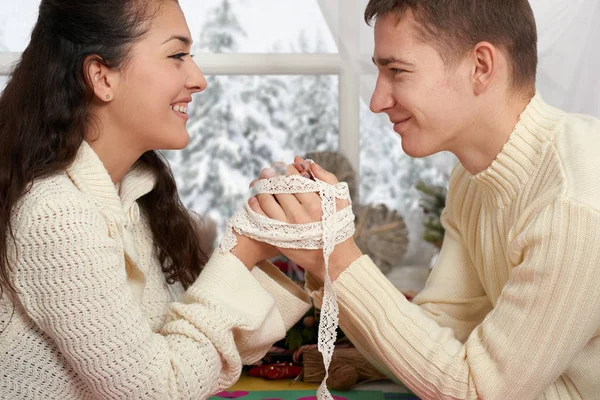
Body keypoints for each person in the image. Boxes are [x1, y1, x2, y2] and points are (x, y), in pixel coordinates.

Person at [247, 0, 600, 398]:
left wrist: (337, 257)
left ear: (481, 67)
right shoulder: (473, 178)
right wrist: (324, 257)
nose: (377, 101)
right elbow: (437, 335)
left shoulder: (574, 204)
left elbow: (479, 392)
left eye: (397, 71)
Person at [0, 0, 311, 399]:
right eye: (177, 55)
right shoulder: (57, 214)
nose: (198, 79)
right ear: (101, 77)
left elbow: (195, 362)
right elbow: (157, 390)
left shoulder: (132, 195)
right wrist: (240, 253)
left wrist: (282, 245)